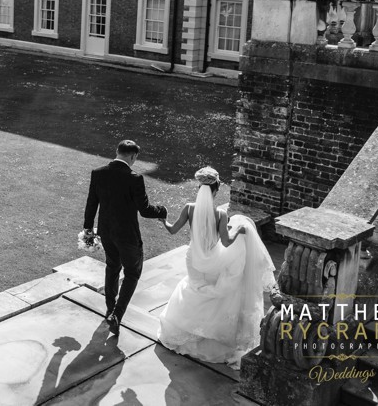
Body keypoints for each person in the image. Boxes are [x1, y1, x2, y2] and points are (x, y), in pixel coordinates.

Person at [156, 166, 276, 369]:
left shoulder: (188, 208)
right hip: (212, 260)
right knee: (212, 295)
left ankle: (187, 330)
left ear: (199, 188)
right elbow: (227, 242)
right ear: (216, 190)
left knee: (194, 289)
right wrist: (239, 229)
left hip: (193, 259)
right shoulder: (220, 214)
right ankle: (207, 333)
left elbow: (173, 230)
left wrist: (163, 220)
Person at [83, 139, 167, 336]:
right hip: (127, 235)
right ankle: (117, 315)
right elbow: (145, 210)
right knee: (132, 273)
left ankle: (109, 308)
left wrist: (88, 229)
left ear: (117, 151)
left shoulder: (98, 173)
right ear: (133, 156)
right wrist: (162, 210)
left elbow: (91, 203)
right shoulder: (134, 178)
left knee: (112, 267)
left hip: (106, 232)